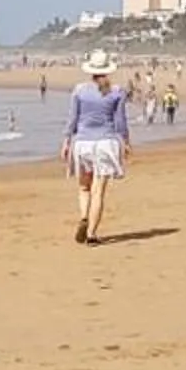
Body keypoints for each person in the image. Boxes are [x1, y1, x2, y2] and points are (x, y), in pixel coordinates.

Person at [62, 52, 133, 245]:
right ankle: (91, 234)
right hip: (106, 143)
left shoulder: (79, 90)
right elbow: (120, 121)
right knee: (98, 191)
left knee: (84, 187)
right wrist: (126, 141)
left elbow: (73, 118)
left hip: (83, 142)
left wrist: (66, 140)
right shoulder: (116, 92)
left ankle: (84, 217)